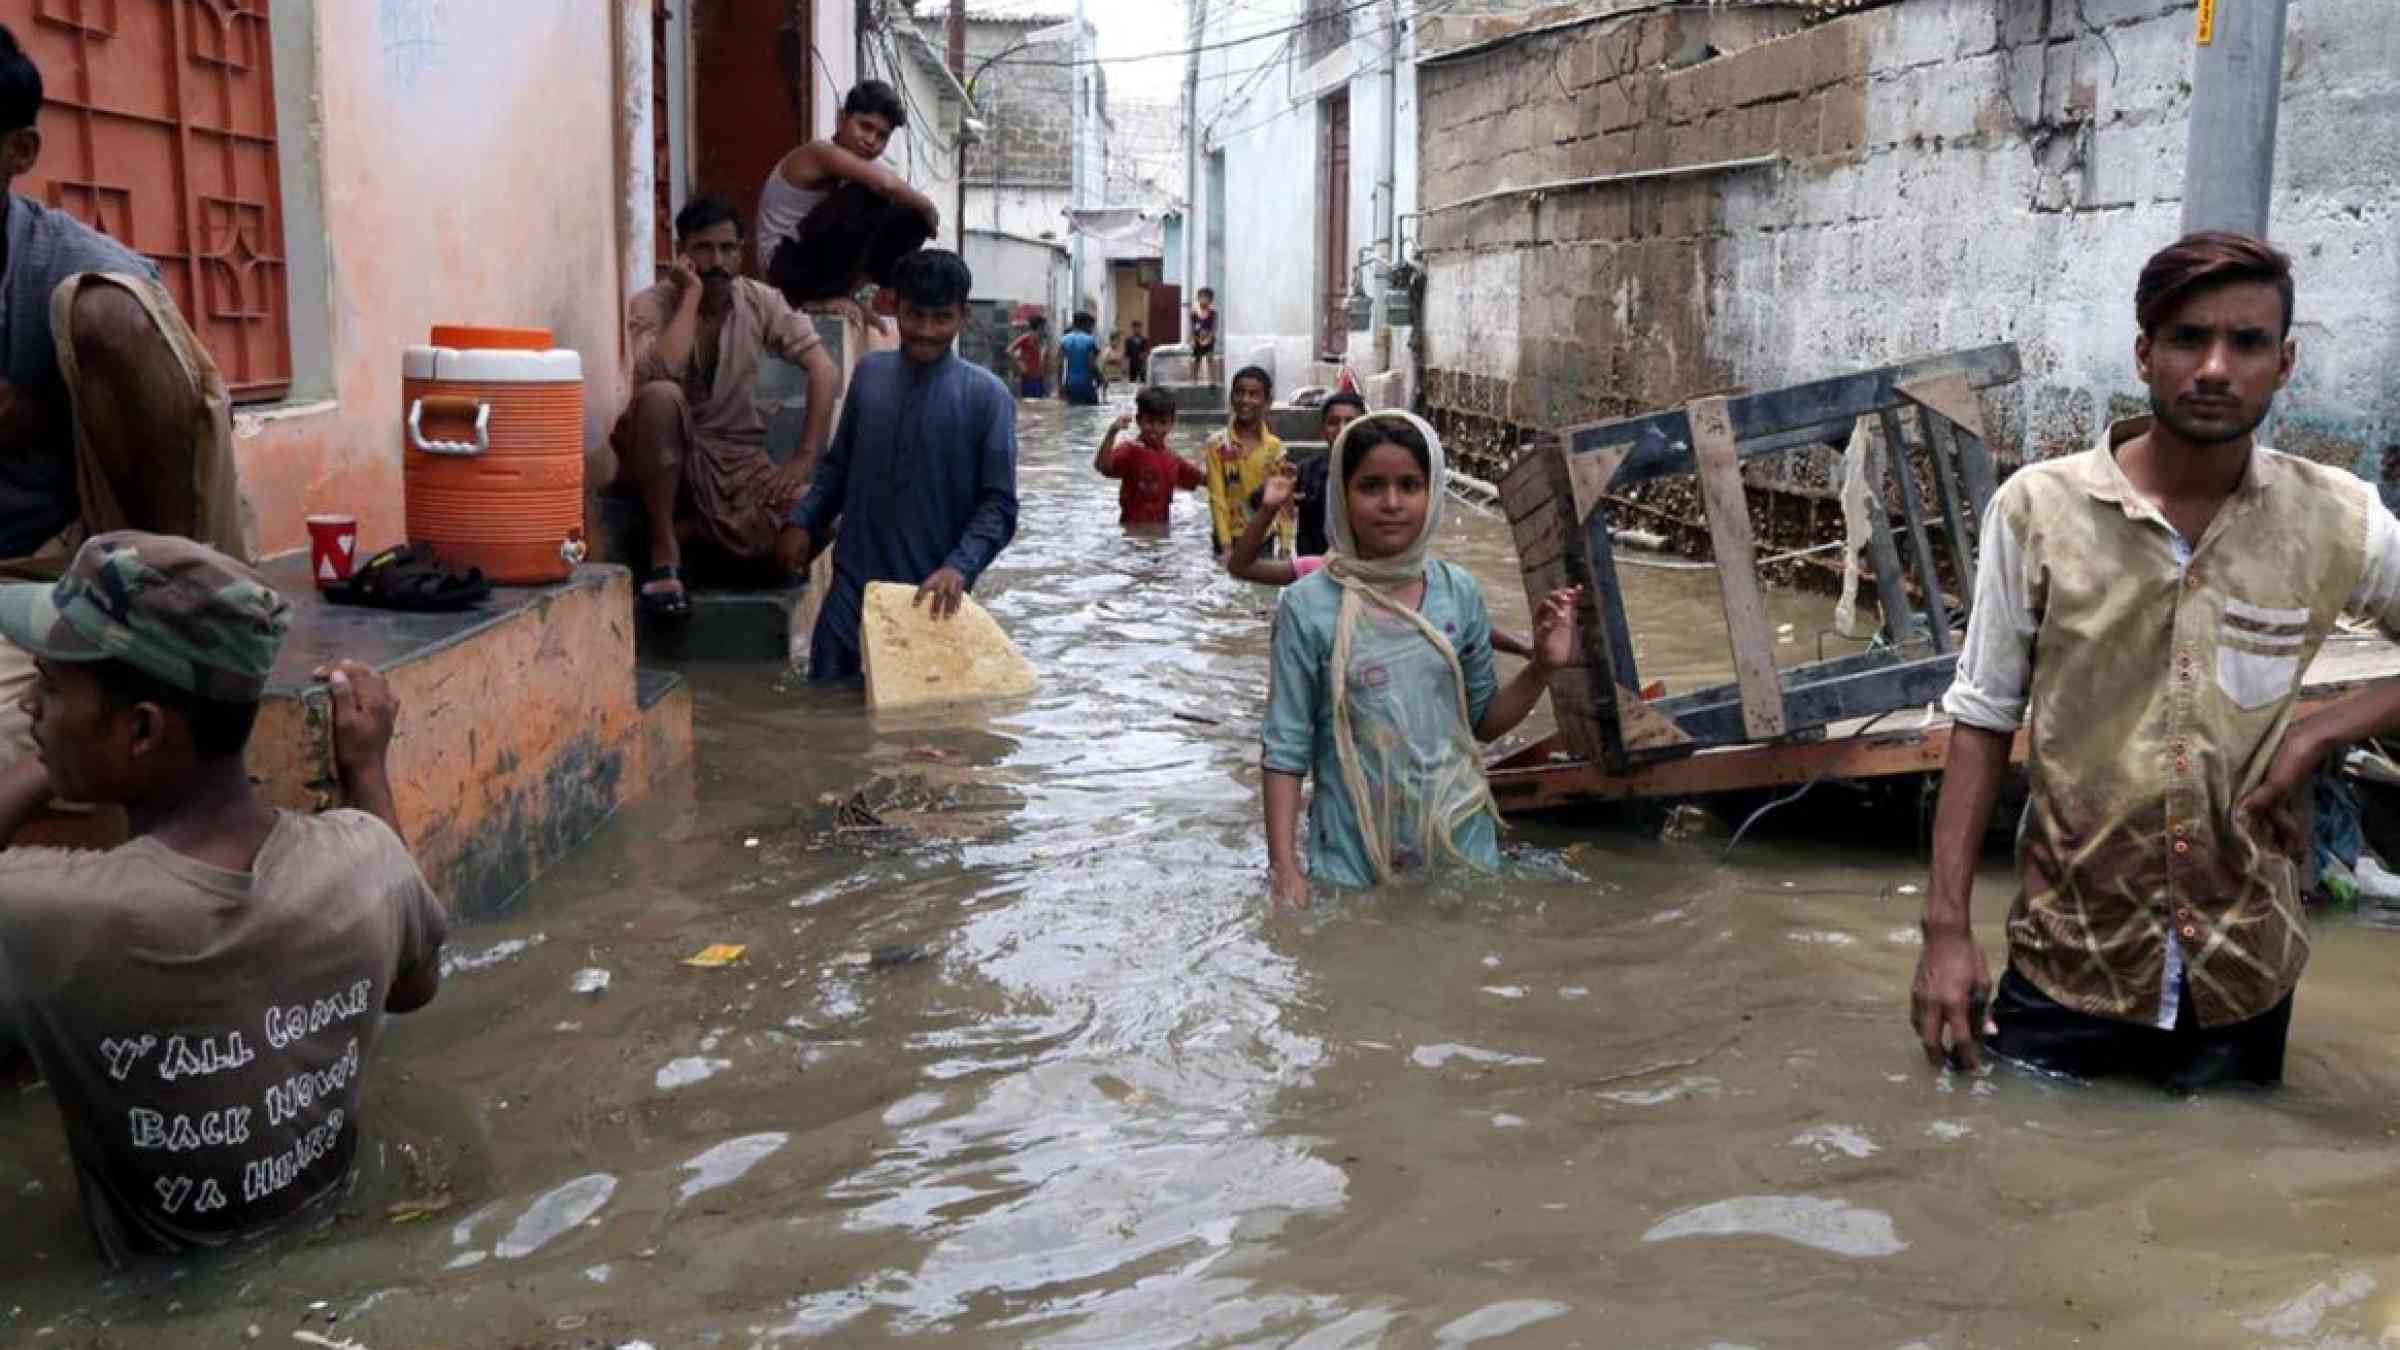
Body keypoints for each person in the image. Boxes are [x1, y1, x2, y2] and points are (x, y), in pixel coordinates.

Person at [1911, 232, 2400, 1091]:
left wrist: (2320, 732)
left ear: (2282, 365)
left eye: (2246, 343)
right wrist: (1946, 933)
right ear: (2145, 354)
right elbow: (1984, 718)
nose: (2215, 368)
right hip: (2071, 963)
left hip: (2245, 970)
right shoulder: (2040, 509)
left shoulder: (2338, 518)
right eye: (2187, 339)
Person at [0, 531, 447, 1266]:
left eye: (48, 687)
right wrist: (366, 769)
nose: (28, 707)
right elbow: (413, 987)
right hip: (332, 1234)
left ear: (142, 729)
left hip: (150, 1295)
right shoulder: (366, 859)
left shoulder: (50, 915)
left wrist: (49, 763)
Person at [0, 22, 250, 770]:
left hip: (61, 567)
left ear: (18, 153)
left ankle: (161, 635)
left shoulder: (85, 280)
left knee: (111, 313)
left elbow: (180, 435)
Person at [1260, 413, 1581, 907]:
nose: (1392, 503)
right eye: (1371, 486)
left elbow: (1483, 723)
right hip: (1353, 851)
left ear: (1431, 495)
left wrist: (1541, 666)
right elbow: (1285, 751)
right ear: (1342, 498)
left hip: (1458, 840)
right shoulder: (1307, 607)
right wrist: (1285, 869)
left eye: (1409, 485)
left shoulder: (1458, 593)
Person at [779, 249, 1018, 683]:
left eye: (941, 318)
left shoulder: (988, 398)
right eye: (915, 315)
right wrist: (803, 520)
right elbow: (838, 468)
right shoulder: (870, 376)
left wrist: (958, 568)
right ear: (894, 307)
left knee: (919, 731)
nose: (926, 332)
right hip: (853, 585)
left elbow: (998, 507)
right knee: (823, 704)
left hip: (930, 596)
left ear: (962, 315)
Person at [609, 195, 840, 619]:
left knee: (820, 510)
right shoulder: (651, 304)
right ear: (683, 252)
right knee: (661, 398)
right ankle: (665, 551)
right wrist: (692, 294)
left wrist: (804, 459)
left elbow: (823, 370)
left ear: (741, 252)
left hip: (738, 463)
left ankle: (695, 536)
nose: (716, 261)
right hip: (668, 458)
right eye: (703, 248)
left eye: (727, 249)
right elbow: (660, 372)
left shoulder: (761, 300)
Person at [757, 80, 939, 331]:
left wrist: (921, 215)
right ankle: (820, 297)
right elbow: (886, 184)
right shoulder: (819, 152)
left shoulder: (858, 170)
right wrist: (929, 208)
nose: (871, 140)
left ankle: (847, 292)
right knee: (874, 195)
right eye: (865, 126)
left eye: (882, 135)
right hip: (784, 271)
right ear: (841, 119)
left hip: (813, 265)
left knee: (910, 217)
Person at [1202, 366, 1289, 557]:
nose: (1245, 400)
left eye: (1254, 394)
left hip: (1264, 538)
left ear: (1267, 402)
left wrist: (1285, 547)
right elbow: (1217, 498)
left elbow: (1283, 501)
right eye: (1239, 393)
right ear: (1231, 397)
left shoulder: (1275, 448)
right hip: (1229, 537)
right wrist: (1226, 547)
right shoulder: (1217, 445)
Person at [1093, 387, 1203, 528]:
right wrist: (1112, 432)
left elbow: (1203, 479)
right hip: (1133, 532)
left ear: (1172, 423)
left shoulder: (1173, 459)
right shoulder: (1131, 451)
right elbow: (1101, 466)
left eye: (1162, 423)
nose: (1156, 429)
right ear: (1139, 420)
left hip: (1161, 532)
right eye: (1150, 422)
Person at [1059, 312, 1103, 407]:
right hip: (1086, 383)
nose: (1092, 329)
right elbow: (1091, 364)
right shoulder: (1090, 340)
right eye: (1091, 326)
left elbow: (1060, 366)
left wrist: (1060, 385)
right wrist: (1100, 378)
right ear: (1085, 324)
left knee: (1073, 413)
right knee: (1090, 412)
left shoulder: (1064, 340)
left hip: (1070, 383)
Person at [1007, 315, 1049, 401]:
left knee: (1039, 403)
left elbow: (1043, 358)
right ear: (1039, 327)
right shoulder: (1025, 338)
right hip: (1027, 376)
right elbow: (1009, 350)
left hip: (1039, 377)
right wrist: (1020, 364)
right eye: (1043, 327)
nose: (1044, 329)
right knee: (1028, 402)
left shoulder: (1042, 340)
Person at [1189, 287, 1220, 385]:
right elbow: (1191, 328)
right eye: (1202, 297)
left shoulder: (1213, 313)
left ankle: (1212, 380)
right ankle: (1194, 379)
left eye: (1206, 298)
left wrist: (1209, 338)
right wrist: (1193, 340)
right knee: (1196, 359)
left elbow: (1214, 327)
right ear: (1198, 298)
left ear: (1210, 300)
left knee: (1210, 358)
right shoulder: (1194, 313)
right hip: (1197, 339)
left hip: (1209, 339)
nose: (1204, 300)